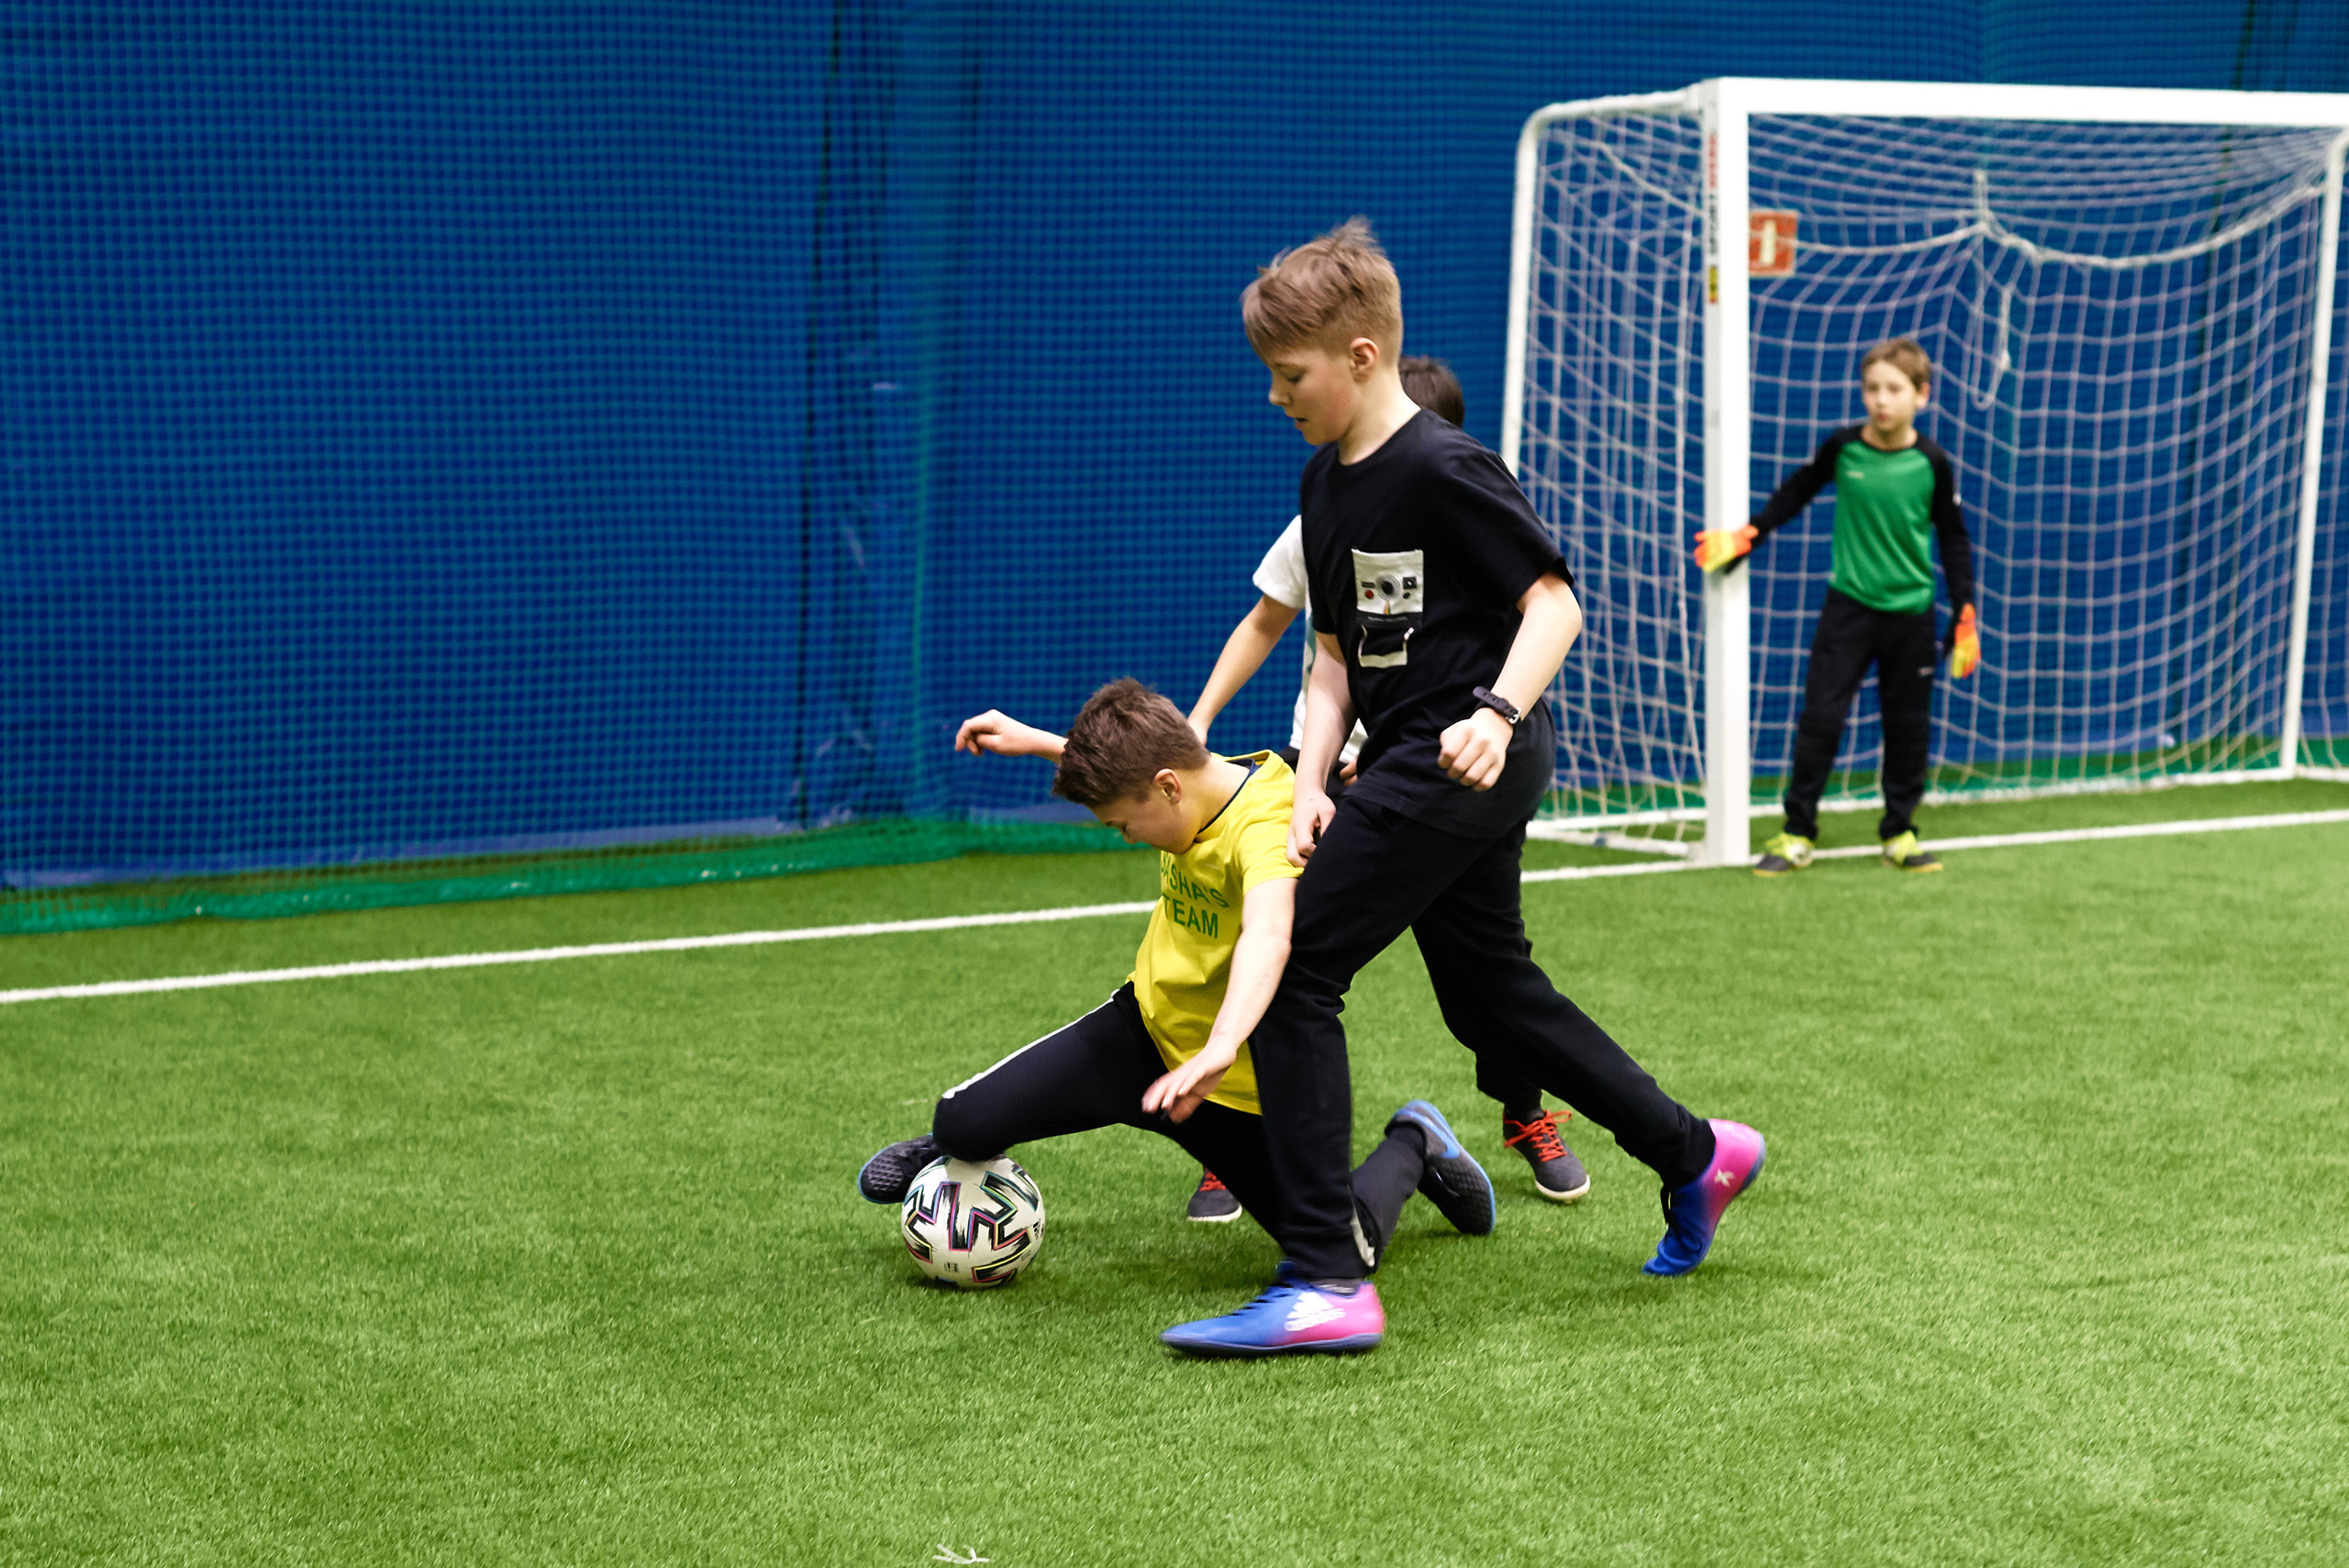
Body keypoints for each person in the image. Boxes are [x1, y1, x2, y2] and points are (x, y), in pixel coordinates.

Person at [1155, 218, 1765, 1357]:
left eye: (1289, 376)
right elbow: (1331, 655)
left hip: (1467, 750)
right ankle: (1696, 1150)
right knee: (1490, 999)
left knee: (1292, 964)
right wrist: (1315, 769)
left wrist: (1493, 712)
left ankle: (1325, 1277)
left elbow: (1553, 605)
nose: (1276, 395)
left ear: (1360, 357)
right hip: (1401, 759)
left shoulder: (1444, 464)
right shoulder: (1321, 485)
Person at [854, 678, 1498, 1356]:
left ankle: (1415, 1141)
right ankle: (949, 1147)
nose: (1130, 839)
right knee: (960, 1122)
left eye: (1124, 824)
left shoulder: (1267, 823)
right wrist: (1039, 742)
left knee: (1352, 1251)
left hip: (1229, 1090)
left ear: (1167, 789)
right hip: (1139, 1036)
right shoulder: (1185, 778)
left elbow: (1269, 935)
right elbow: (1137, 761)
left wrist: (1220, 1046)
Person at [1182, 353, 1589, 1223]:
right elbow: (1286, 633)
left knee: (1487, 978)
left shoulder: (1457, 503)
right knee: (1278, 946)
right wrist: (1213, 724)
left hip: (1441, 772)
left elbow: (1541, 618)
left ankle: (1525, 1111)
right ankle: (1240, 1139)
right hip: (1325, 772)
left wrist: (1495, 720)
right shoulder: (1322, 507)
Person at [1691, 338, 1978, 875]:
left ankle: (1900, 831)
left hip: (1912, 614)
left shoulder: (1932, 462)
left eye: (1894, 389)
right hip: (1848, 608)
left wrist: (1965, 611)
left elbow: (1954, 537)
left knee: (1908, 725)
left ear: (1922, 395)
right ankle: (1797, 831)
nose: (1880, 400)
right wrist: (1751, 533)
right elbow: (1799, 489)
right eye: (1872, 388)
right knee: (1821, 718)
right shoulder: (1843, 448)